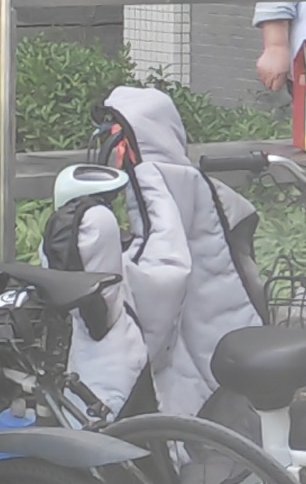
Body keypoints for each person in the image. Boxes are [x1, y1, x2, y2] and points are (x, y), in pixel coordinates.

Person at [46, 81, 268, 419]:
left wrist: (119, 268)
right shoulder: (200, 186)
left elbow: (164, 271)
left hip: (175, 386)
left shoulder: (154, 185)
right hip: (230, 355)